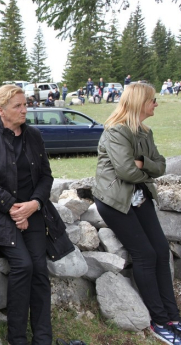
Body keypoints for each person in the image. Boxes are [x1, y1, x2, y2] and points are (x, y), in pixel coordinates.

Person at [0, 84, 64, 345]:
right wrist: (14, 208)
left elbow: (46, 176)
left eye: (25, 104)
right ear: (1, 110)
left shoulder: (33, 136)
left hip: (32, 212)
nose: (25, 110)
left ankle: (43, 338)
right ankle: (17, 338)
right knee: (23, 265)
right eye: (18, 106)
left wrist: (33, 204)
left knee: (39, 270)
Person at [92, 83, 181, 345]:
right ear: (140, 102)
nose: (156, 104)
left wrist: (143, 164)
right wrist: (144, 167)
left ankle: (172, 316)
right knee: (145, 253)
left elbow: (161, 165)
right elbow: (127, 172)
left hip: (139, 197)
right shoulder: (116, 131)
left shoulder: (144, 131)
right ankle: (158, 321)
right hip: (115, 200)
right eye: (152, 100)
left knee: (162, 250)